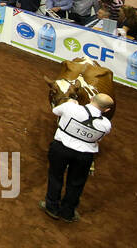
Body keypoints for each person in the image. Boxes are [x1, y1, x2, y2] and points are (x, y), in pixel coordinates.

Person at [41, 92, 113, 223]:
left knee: (55, 176)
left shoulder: (70, 107)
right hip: (85, 156)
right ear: (106, 110)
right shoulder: (106, 125)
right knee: (76, 183)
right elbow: (98, 138)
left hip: (61, 149)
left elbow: (55, 111)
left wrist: (70, 103)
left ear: (91, 99)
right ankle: (68, 212)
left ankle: (51, 207)